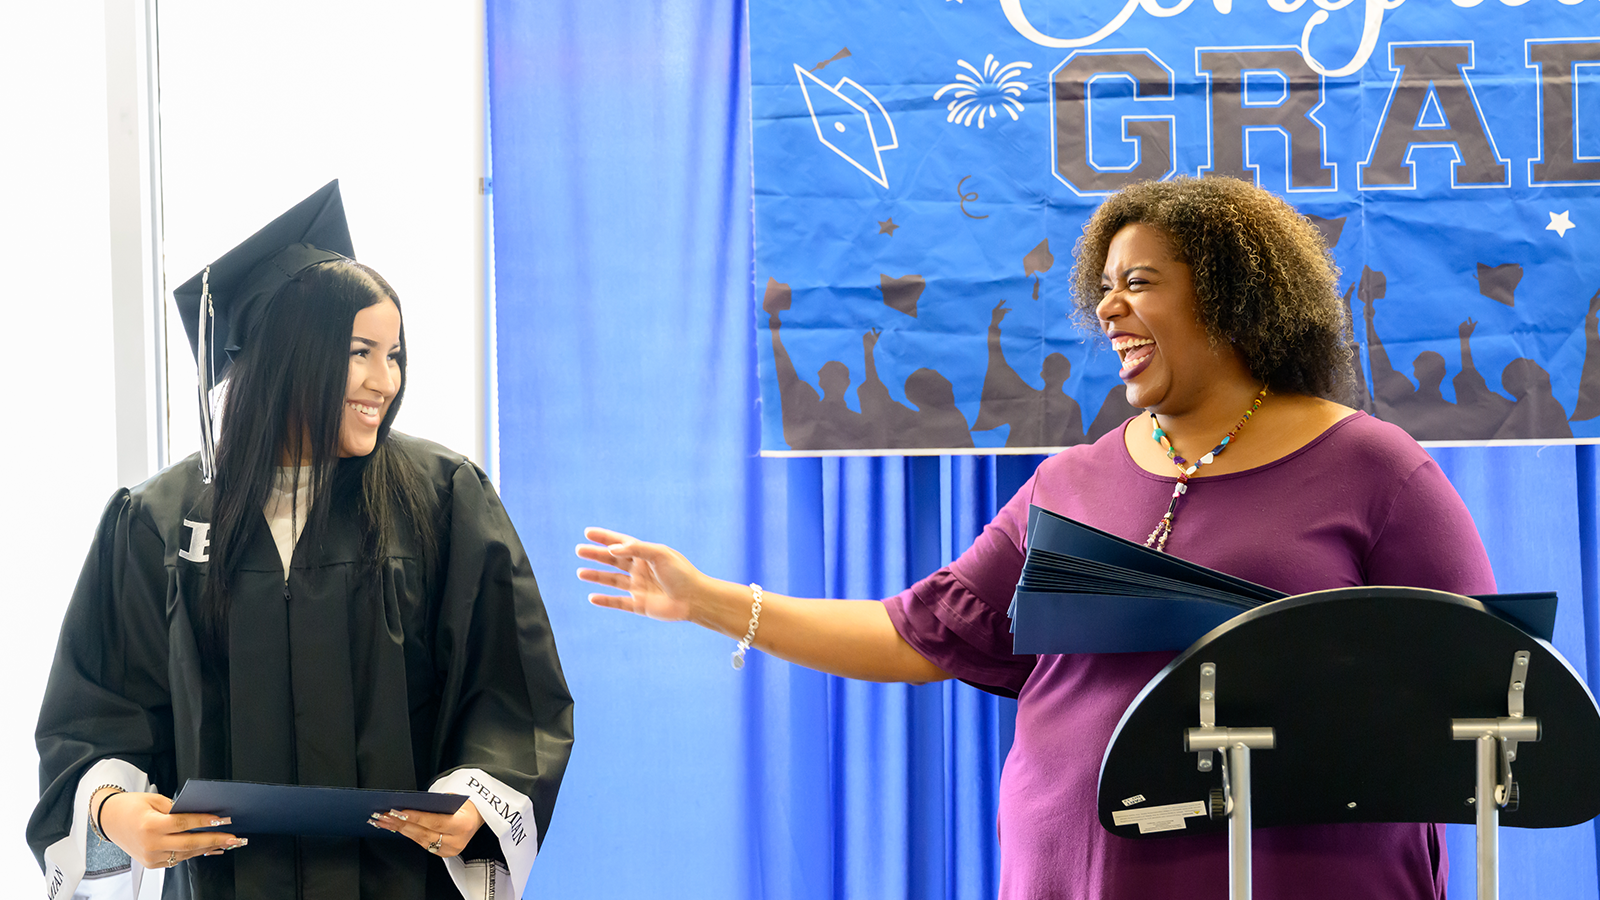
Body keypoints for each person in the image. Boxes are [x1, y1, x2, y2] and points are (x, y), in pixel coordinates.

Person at [577, 176, 1494, 899]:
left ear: (1232, 297)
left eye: (1140, 283)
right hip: (1074, 870)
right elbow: (917, 633)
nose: (1109, 310)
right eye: (1104, 289)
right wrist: (707, 600)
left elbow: (1480, 677)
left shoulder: (1375, 467)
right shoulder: (1073, 479)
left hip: (1300, 872)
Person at [30, 182, 573, 900]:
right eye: (360, 353)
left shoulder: (442, 500)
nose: (387, 380)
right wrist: (115, 809)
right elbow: (96, 709)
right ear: (290, 354)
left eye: (395, 354)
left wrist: (481, 799)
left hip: (399, 886)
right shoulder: (158, 523)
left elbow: (514, 692)